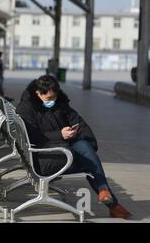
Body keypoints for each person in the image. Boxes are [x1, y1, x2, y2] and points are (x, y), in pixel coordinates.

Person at [16, 75, 132, 219]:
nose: (52, 101)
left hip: (60, 150)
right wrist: (60, 134)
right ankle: (112, 203)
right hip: (42, 158)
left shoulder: (61, 104)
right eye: (48, 99)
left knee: (84, 146)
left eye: (54, 97)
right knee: (88, 161)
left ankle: (105, 194)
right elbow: (33, 137)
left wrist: (81, 138)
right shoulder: (26, 109)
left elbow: (79, 122)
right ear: (37, 94)